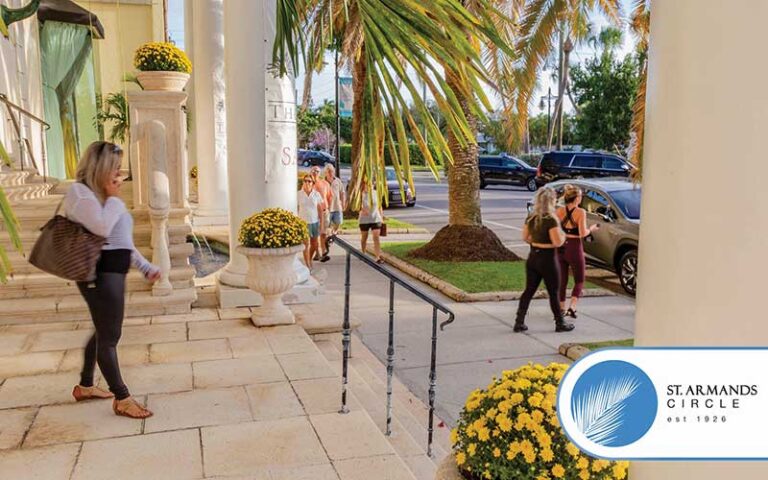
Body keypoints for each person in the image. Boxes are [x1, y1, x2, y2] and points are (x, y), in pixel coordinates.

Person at [65, 141, 161, 419]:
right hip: (98, 274)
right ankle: (122, 397)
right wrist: (115, 200)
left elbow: (122, 240)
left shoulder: (103, 197)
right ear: (101, 166)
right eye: (115, 168)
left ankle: (85, 386)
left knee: (102, 331)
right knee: (109, 336)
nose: (119, 175)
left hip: (114, 272)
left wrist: (144, 266)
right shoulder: (80, 194)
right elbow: (101, 227)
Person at [515, 187, 574, 333]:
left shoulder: (531, 217)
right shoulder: (551, 219)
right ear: (551, 201)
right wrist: (563, 236)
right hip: (548, 258)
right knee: (553, 291)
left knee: (529, 290)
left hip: (533, 256)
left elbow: (525, 237)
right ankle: (560, 322)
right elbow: (556, 241)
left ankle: (519, 321)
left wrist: (536, 240)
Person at [556, 184, 599, 318]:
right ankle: (572, 307)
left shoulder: (559, 211)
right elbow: (582, 233)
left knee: (562, 281)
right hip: (574, 247)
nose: (581, 198)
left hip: (561, 247)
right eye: (580, 196)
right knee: (579, 279)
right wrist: (591, 229)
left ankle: (561, 309)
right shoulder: (580, 212)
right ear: (576, 199)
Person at [298, 174, 325, 270]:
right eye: (305, 181)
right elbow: (295, 208)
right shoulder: (298, 194)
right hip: (303, 223)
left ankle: (309, 259)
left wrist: (322, 225)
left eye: (309, 181)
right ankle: (308, 265)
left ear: (313, 183)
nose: (307, 183)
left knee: (315, 244)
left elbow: (320, 210)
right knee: (306, 244)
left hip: (314, 222)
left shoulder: (316, 194)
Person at [359, 179, 385, 264]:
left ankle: (377, 257)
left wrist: (381, 218)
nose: (368, 186)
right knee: (364, 237)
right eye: (366, 184)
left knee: (376, 237)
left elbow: (380, 206)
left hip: (375, 218)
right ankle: (363, 253)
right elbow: (356, 206)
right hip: (364, 219)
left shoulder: (376, 193)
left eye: (369, 184)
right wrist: (362, 210)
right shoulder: (360, 194)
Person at [309, 165, 331, 262]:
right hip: (313, 213)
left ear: (320, 173)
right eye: (313, 171)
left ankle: (323, 252)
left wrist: (327, 208)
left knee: (323, 233)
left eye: (317, 171)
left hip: (324, 211)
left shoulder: (325, 184)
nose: (315, 172)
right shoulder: (308, 183)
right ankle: (317, 253)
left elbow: (330, 197)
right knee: (314, 236)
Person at [324, 164, 345, 242]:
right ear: (325, 172)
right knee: (327, 225)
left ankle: (333, 232)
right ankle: (328, 238)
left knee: (338, 222)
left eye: (332, 171)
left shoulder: (337, 181)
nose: (330, 173)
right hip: (327, 208)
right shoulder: (323, 182)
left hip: (337, 206)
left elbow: (342, 192)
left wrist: (343, 202)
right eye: (328, 171)